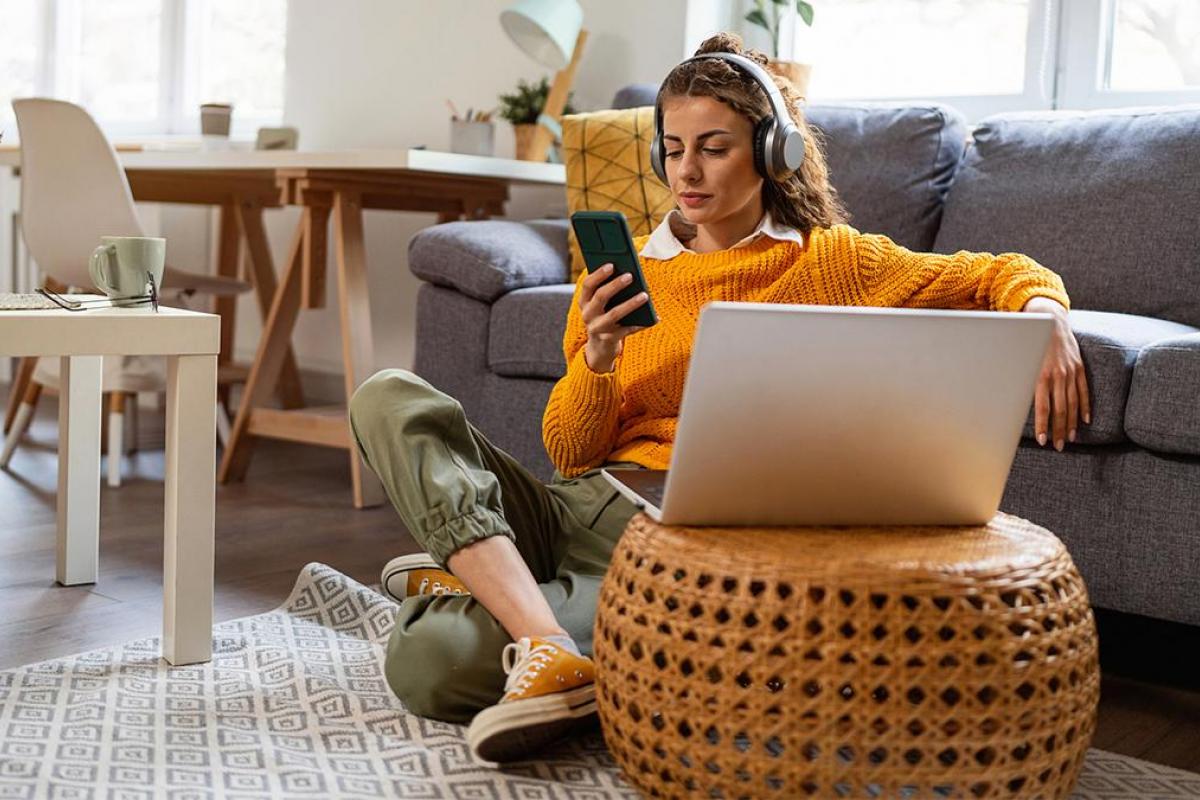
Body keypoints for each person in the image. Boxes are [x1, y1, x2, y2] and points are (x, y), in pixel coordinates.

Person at [348, 32, 1090, 764]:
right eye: (674, 148)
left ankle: (483, 579)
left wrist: (1045, 314)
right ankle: (542, 636)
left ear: (774, 153)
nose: (687, 171)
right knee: (388, 396)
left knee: (431, 663)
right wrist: (598, 359)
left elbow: (995, 272)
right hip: (573, 504)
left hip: (661, 550)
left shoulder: (833, 263)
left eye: (715, 146)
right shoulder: (626, 271)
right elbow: (570, 452)